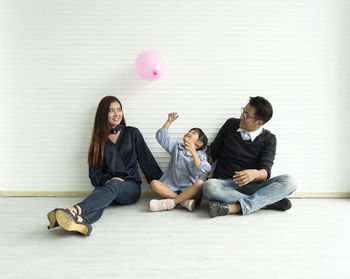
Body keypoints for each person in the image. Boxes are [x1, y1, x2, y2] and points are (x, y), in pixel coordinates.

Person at [47, 96, 163, 236]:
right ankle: (80, 221)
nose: (116, 114)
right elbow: (94, 173)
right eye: (111, 111)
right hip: (107, 187)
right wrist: (105, 181)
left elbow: (147, 162)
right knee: (100, 196)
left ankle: (73, 210)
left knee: (113, 185)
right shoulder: (98, 139)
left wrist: (166, 188)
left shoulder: (132, 133)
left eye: (119, 110)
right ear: (103, 114)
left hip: (130, 188)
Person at [203, 96, 297, 218]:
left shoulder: (269, 139)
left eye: (246, 115)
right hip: (224, 184)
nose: (242, 116)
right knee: (209, 187)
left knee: (290, 182)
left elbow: (265, 172)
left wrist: (255, 174)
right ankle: (265, 203)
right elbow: (213, 153)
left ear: (259, 122)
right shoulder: (230, 124)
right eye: (243, 111)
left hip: (253, 186)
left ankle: (235, 207)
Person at [149, 112, 211, 212]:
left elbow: (202, 169)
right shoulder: (176, 148)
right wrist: (169, 121)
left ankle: (171, 202)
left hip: (190, 191)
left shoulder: (200, 155)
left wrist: (193, 152)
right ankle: (183, 202)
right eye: (189, 131)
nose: (189, 132)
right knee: (153, 183)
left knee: (200, 183)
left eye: (194, 133)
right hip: (171, 189)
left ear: (199, 143)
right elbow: (161, 138)